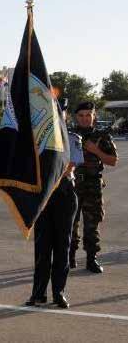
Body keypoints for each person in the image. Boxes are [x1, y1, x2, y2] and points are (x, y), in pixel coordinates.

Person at [27, 100, 81, 309]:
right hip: (44, 197)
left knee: (62, 246)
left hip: (64, 196)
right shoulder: (37, 140)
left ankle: (59, 292)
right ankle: (38, 293)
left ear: (64, 115)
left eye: (60, 112)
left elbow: (68, 167)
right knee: (42, 247)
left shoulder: (73, 139)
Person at [70, 101, 119, 273]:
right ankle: (70, 257)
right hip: (72, 184)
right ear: (76, 117)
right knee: (70, 223)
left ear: (93, 116)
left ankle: (92, 259)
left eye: (88, 115)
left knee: (92, 224)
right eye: (81, 115)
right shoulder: (69, 135)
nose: (84, 119)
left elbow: (113, 161)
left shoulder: (101, 136)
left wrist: (95, 150)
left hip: (92, 185)